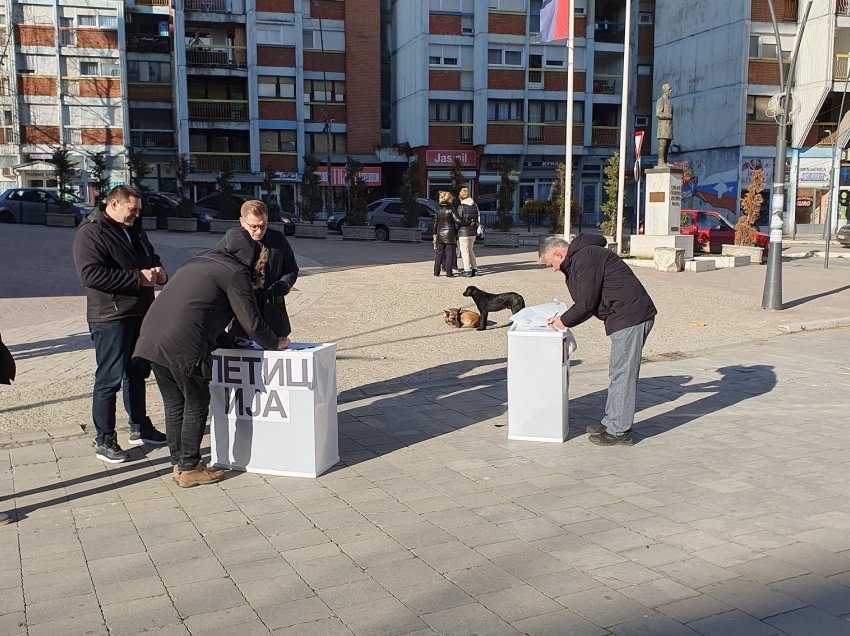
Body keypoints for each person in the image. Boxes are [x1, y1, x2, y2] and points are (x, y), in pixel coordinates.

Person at [134, 228, 289, 488]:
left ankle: (178, 463)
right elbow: (250, 321)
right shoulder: (236, 272)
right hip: (184, 345)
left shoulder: (198, 262)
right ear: (249, 257)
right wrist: (275, 342)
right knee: (196, 402)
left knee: (175, 404)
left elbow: (201, 311)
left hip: (151, 340)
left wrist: (230, 341)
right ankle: (190, 467)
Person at [72, 185, 168, 464]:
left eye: (138, 211)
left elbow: (150, 256)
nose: (136, 215)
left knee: (137, 372)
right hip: (110, 316)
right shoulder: (91, 232)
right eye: (132, 210)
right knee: (109, 379)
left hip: (140, 311)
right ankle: (104, 438)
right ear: (113, 204)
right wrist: (137, 278)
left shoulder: (134, 227)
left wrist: (158, 271)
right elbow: (90, 275)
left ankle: (140, 427)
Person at [539, 234, 657, 446]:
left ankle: (619, 431)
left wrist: (561, 322)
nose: (554, 269)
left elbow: (586, 302)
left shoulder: (585, 257)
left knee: (623, 374)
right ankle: (612, 421)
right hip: (625, 316)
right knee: (618, 371)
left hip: (630, 317)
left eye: (551, 264)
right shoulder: (582, 256)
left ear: (558, 253)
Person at [231, 200, 299, 338]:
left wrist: (284, 284)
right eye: (254, 226)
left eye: (263, 226)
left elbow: (291, 269)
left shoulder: (277, 239)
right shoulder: (232, 242)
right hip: (244, 316)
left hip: (273, 314)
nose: (259, 231)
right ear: (242, 222)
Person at [433, 190, 460, 277]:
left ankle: (436, 272)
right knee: (449, 254)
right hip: (450, 234)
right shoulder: (451, 209)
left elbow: (435, 224)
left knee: (439, 254)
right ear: (449, 199)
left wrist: (434, 234)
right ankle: (449, 273)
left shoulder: (438, 210)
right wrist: (468, 222)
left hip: (440, 234)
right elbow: (458, 220)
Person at [456, 187, 480, 277]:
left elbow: (459, 220)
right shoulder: (474, 206)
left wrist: (456, 231)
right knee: (471, 250)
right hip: (473, 232)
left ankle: (467, 270)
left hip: (463, 232)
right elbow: (477, 218)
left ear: (460, 197)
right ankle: (475, 269)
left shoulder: (461, 207)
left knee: (464, 251)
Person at [656, 83, 673, 166]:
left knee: (667, 145)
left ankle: (665, 161)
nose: (671, 91)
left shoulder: (669, 101)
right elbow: (658, 114)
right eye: (669, 89)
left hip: (668, 127)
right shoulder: (661, 100)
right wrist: (668, 115)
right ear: (664, 90)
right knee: (662, 145)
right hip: (662, 127)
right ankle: (660, 161)